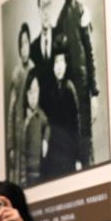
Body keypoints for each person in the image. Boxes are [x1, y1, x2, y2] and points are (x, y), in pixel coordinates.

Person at [55, 0, 99, 167]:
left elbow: (90, 53)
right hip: (67, 98)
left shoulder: (82, 11)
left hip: (83, 92)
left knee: (86, 147)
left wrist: (94, 93)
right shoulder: (59, 19)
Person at [41, 35, 81, 178]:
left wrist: (78, 157)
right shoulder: (49, 91)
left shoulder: (70, 88)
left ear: (66, 64)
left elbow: (76, 125)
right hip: (53, 152)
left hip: (68, 151)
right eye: (56, 62)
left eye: (61, 61)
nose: (58, 66)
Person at [6, 23, 33, 185]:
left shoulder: (34, 69)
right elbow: (11, 111)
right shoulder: (16, 73)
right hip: (18, 136)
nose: (24, 48)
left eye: (26, 43)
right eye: (21, 45)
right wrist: (10, 145)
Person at [28, 0, 57, 110]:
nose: (46, 11)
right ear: (38, 9)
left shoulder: (61, 37)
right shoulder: (32, 49)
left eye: (48, 4)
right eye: (42, 5)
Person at [20, 68, 50, 188]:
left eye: (36, 91)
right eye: (31, 92)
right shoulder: (24, 120)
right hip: (26, 173)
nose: (33, 96)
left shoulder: (41, 115)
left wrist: (45, 140)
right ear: (26, 94)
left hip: (39, 170)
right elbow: (21, 151)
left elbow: (47, 126)